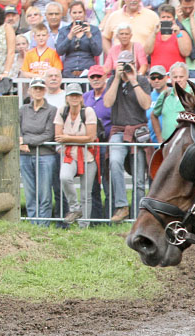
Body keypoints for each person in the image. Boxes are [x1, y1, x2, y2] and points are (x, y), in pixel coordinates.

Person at [103, 50, 151, 222]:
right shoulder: (112, 81)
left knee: (139, 177)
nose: (125, 67)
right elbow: (107, 102)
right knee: (114, 162)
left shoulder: (143, 80)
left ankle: (138, 217)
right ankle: (122, 206)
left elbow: (146, 104)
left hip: (138, 132)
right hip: (118, 130)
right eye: (122, 64)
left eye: (128, 63)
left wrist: (133, 80)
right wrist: (116, 78)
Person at [57, 83, 98, 225]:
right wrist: (78, 139)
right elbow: (57, 136)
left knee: (86, 194)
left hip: (88, 156)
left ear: (81, 97)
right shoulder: (62, 111)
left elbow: (90, 137)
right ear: (67, 97)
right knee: (64, 177)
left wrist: (68, 138)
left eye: (77, 95)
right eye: (71, 95)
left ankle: (83, 227)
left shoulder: (88, 112)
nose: (74, 98)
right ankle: (74, 208)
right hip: (69, 154)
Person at [19, 78, 57, 224]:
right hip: (25, 155)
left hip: (45, 155)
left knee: (45, 193)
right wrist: (20, 141)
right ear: (30, 91)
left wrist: (25, 141)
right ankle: (32, 223)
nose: (38, 91)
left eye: (41, 88)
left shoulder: (51, 110)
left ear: (45, 90)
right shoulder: (23, 110)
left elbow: (48, 134)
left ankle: (43, 225)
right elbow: (18, 129)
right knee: (29, 192)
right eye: (35, 88)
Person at [84, 64, 111, 223]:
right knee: (92, 184)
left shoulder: (110, 95)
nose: (95, 80)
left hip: (106, 143)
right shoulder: (85, 97)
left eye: (98, 76)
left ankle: (108, 218)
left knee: (108, 183)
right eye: (92, 77)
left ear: (105, 78)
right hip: (91, 145)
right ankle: (95, 219)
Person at [56, 1, 103, 78]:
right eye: (74, 13)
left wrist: (89, 35)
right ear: (70, 14)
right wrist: (70, 36)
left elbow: (97, 52)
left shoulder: (94, 30)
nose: (77, 15)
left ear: (84, 13)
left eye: (80, 12)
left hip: (88, 71)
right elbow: (59, 51)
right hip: (69, 72)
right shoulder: (64, 30)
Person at [146, 4, 191, 74]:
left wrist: (178, 34)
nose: (166, 19)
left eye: (168, 17)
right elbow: (147, 51)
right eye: (163, 17)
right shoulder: (154, 34)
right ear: (159, 18)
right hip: (157, 77)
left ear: (173, 19)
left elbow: (186, 53)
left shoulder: (181, 33)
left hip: (176, 77)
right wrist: (154, 33)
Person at [150, 61, 188, 141]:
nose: (178, 80)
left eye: (181, 77)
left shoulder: (194, 96)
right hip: (167, 146)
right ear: (170, 78)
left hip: (187, 147)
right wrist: (159, 138)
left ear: (187, 77)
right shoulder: (165, 95)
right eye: (175, 77)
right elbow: (154, 115)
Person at [176, 0, 195, 78]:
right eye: (185, 8)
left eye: (190, 7)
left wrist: (192, 19)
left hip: (193, 66)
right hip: (176, 66)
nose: (188, 10)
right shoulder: (174, 18)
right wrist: (179, 21)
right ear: (180, 4)